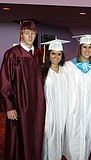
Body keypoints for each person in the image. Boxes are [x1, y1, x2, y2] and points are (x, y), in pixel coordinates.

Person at [0, 19, 46, 160]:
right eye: (27, 33)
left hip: (37, 104)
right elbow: (5, 82)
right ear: (21, 34)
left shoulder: (38, 54)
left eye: (32, 33)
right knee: (19, 137)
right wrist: (9, 107)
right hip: (19, 105)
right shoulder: (12, 54)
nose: (30, 36)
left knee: (36, 135)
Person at [63, 34, 91, 160]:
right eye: (84, 47)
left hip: (89, 108)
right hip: (74, 108)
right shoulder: (69, 66)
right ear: (80, 48)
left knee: (88, 134)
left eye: (90, 47)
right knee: (74, 135)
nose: (87, 50)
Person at [41, 39, 70, 160]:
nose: (56, 57)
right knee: (48, 138)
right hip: (48, 111)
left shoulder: (66, 71)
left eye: (59, 54)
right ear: (48, 55)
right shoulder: (42, 71)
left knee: (59, 138)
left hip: (62, 112)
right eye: (53, 53)